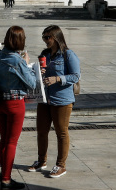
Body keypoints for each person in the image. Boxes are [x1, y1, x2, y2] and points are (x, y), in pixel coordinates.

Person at [0, 26, 38, 190]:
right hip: (15, 103)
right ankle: (7, 180)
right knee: (11, 142)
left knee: (4, 139)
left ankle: (4, 173)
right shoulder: (18, 61)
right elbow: (32, 84)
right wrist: (27, 63)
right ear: (20, 41)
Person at [30, 25, 81, 178]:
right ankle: (41, 161)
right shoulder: (44, 54)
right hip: (45, 99)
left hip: (62, 100)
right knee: (41, 131)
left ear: (56, 38)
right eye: (43, 37)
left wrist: (58, 78)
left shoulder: (68, 55)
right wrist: (38, 71)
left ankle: (61, 165)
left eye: (48, 37)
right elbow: (37, 74)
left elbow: (76, 76)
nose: (45, 41)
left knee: (61, 133)